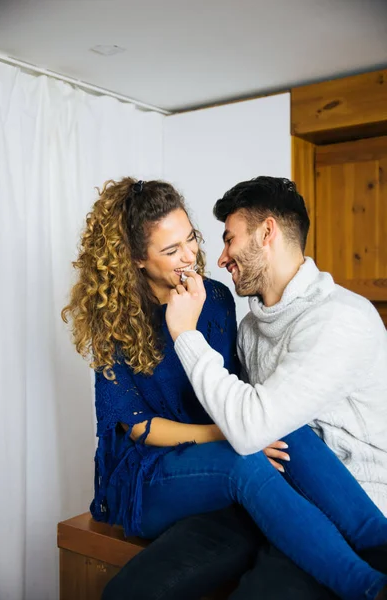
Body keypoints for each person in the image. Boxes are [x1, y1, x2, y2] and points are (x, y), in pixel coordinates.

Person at [62, 177, 387, 600]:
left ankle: (378, 540)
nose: (191, 256)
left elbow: (232, 391)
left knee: (285, 430)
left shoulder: (214, 298)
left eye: (190, 239)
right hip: (150, 472)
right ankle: (369, 589)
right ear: (138, 259)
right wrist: (226, 436)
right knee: (246, 461)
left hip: (214, 461)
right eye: (171, 250)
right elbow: (139, 428)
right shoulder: (115, 323)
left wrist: (244, 433)